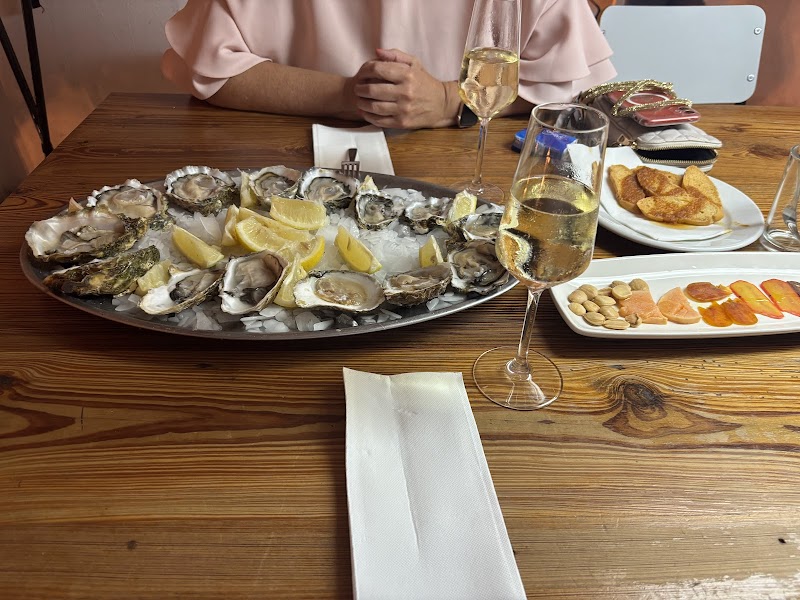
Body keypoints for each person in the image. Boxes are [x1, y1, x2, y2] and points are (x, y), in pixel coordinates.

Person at [162, 0, 616, 129]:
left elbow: (567, 84)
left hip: (479, 179)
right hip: (294, 171)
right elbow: (211, 71)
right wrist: (349, 95)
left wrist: (445, 101)